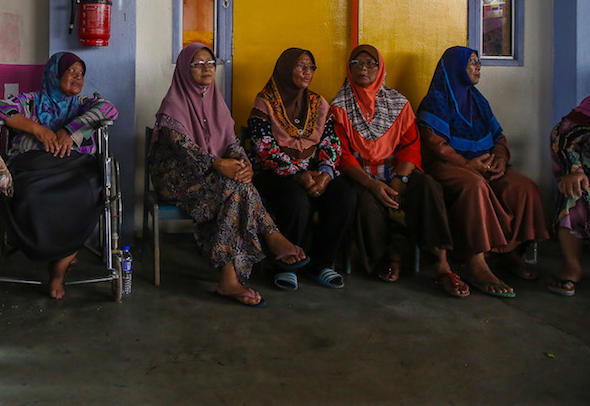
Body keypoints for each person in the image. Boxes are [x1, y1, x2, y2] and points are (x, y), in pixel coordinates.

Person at [149, 43, 307, 307]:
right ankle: (270, 236)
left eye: (210, 63)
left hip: (213, 177)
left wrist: (242, 164)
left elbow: (231, 141)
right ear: (184, 70)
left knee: (238, 187)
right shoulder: (172, 105)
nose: (206, 69)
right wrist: (220, 164)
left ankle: (229, 279)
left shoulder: (215, 100)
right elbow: (187, 152)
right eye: (197, 64)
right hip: (178, 180)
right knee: (232, 187)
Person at [330, 45, 467, 297]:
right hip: (362, 176)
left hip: (397, 172)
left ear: (380, 67)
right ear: (348, 70)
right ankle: (386, 256)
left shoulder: (398, 103)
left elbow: (411, 144)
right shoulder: (339, 106)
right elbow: (343, 154)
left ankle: (441, 261)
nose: (363, 68)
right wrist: (371, 184)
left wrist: (400, 179)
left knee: (427, 187)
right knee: (363, 201)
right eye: (356, 64)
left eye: (370, 63)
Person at [417, 46, 548, 298]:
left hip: (485, 165)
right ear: (456, 67)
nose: (478, 67)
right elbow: (435, 145)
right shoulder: (436, 99)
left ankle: (510, 252)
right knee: (474, 186)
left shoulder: (478, 99)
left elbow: (499, 135)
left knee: (524, 187)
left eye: (479, 63)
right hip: (447, 167)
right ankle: (476, 261)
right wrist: (467, 165)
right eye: (472, 63)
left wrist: (499, 157)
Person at [0, 52, 118, 299]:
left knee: (86, 192)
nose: (78, 78)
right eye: (71, 72)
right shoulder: (31, 102)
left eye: (81, 73)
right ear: (54, 74)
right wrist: (39, 129)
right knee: (31, 194)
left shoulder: (83, 105)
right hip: (33, 165)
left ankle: (60, 267)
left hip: (76, 166)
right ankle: (53, 253)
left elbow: (109, 110)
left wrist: (70, 131)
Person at [243, 47, 355, 291]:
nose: (307, 72)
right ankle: (285, 266)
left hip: (314, 173)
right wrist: (296, 173)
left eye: (311, 67)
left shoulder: (318, 103)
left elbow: (330, 142)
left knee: (344, 196)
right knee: (295, 200)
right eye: (301, 66)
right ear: (285, 68)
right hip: (274, 174)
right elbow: (265, 149)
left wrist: (325, 174)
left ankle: (321, 264)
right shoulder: (265, 102)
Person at [547, 96, 590, 296]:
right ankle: (572, 267)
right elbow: (562, 137)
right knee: (574, 192)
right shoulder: (580, 118)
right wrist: (575, 170)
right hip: (585, 174)